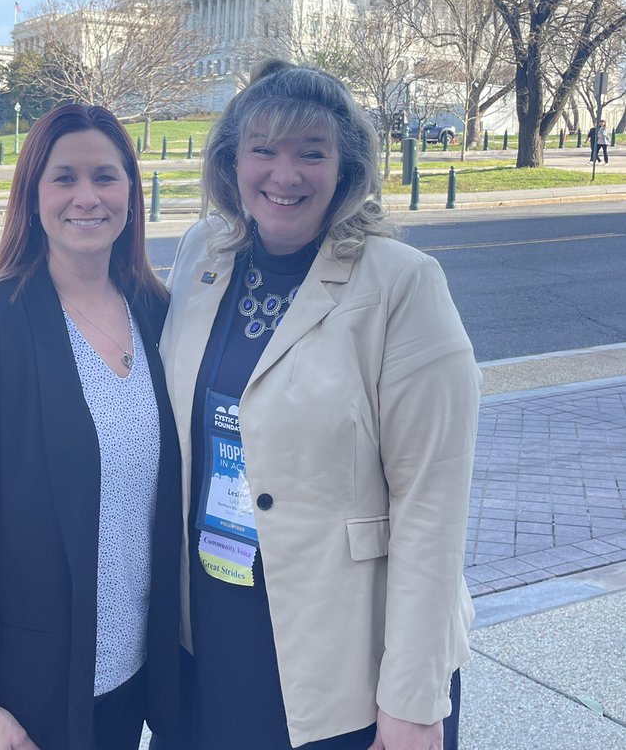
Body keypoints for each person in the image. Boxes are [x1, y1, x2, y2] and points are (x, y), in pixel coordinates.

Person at [157, 61, 480, 750]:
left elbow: (433, 505)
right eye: (263, 150)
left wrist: (413, 699)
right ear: (231, 161)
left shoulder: (402, 285)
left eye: (312, 153)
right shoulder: (202, 254)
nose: (286, 174)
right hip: (211, 623)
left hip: (342, 649)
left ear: (346, 168)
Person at [0, 104, 181, 750]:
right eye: (64, 178)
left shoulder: (159, 315)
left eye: (105, 177)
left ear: (132, 195)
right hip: (20, 703)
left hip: (129, 687)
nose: (87, 197)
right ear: (33, 196)